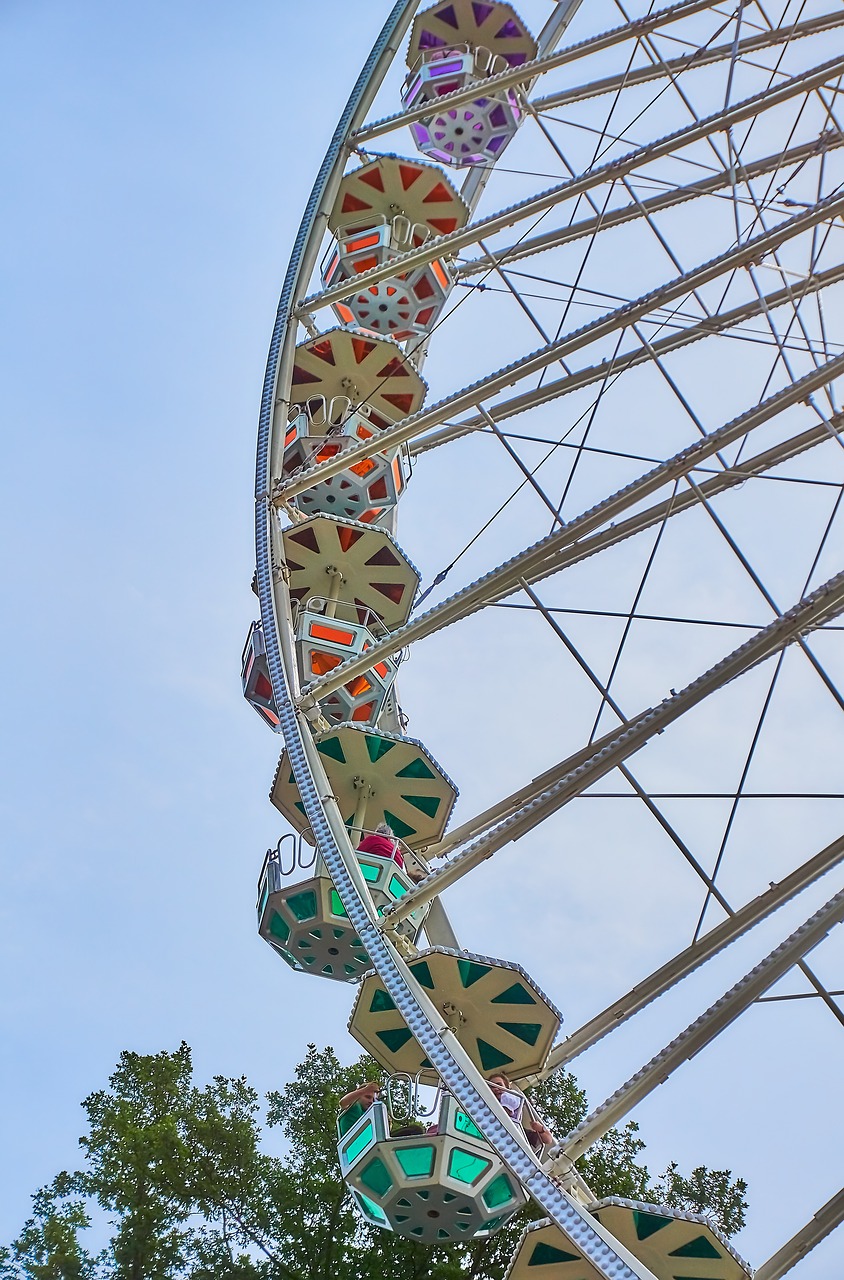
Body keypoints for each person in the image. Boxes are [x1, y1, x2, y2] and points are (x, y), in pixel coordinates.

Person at [487, 1073, 554, 1152]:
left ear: (507, 1088)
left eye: (499, 1085)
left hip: (510, 1135)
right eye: (491, 1086)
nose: (495, 1088)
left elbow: (548, 1140)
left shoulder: (510, 1097)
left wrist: (540, 1129)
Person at [338, 1080, 423, 1137]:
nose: (371, 1101)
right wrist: (365, 1090)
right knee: (414, 1130)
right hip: (359, 1143)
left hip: (371, 1142)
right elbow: (343, 1103)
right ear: (359, 1095)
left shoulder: (369, 1116)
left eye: (373, 1099)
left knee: (416, 1132)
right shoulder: (354, 1105)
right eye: (367, 1097)